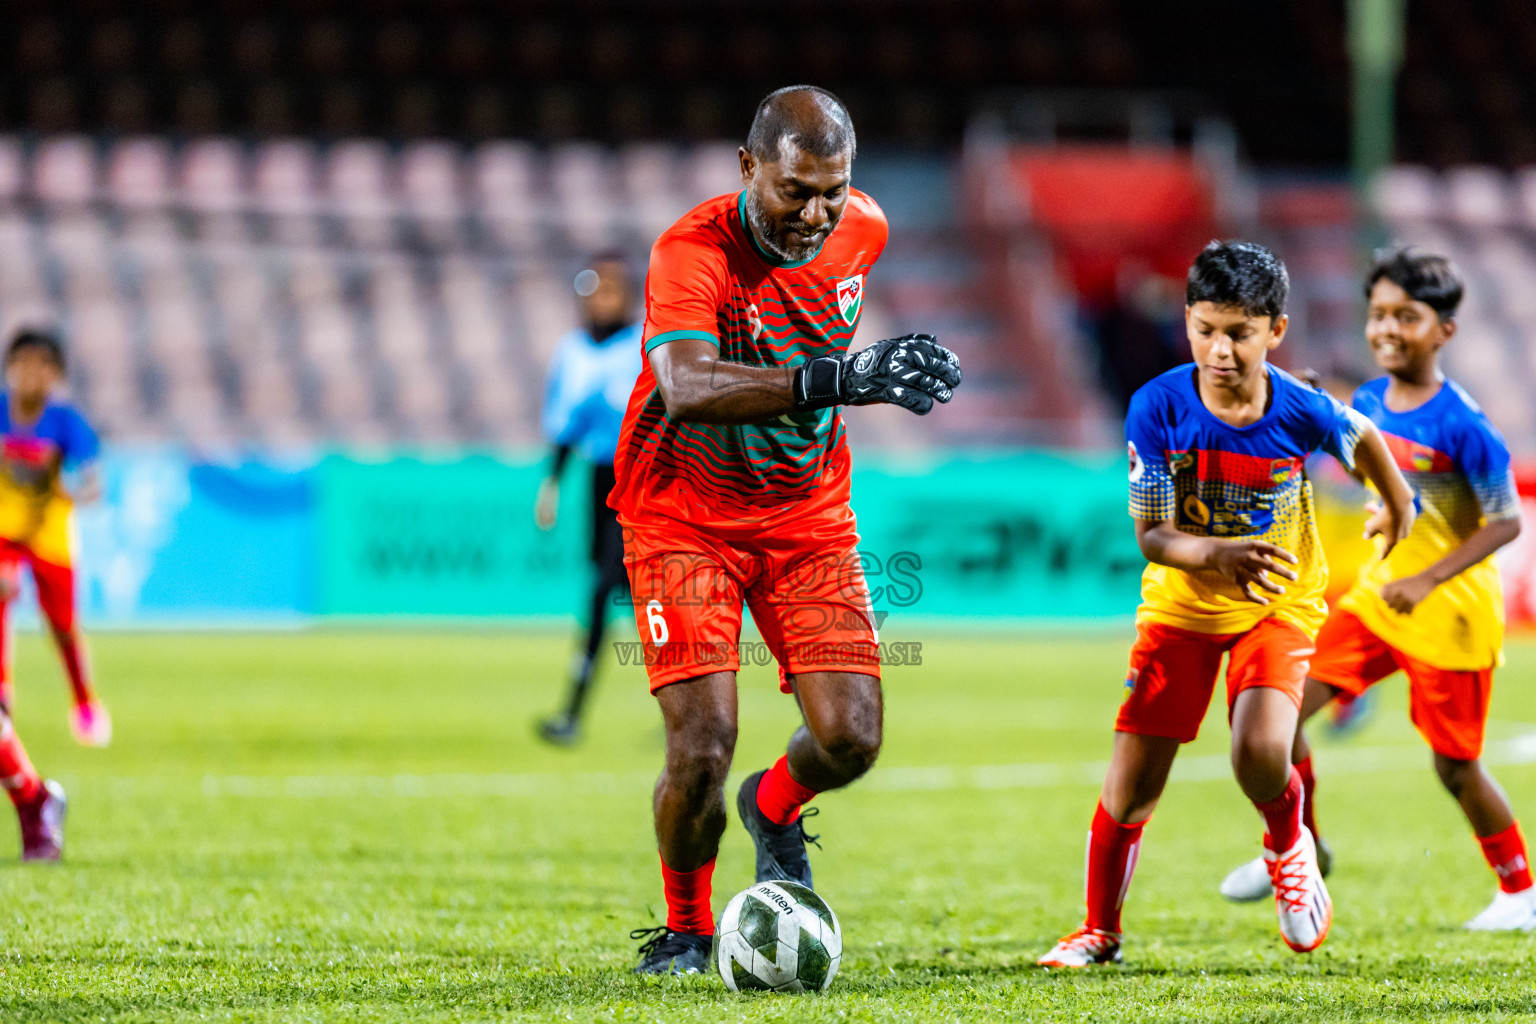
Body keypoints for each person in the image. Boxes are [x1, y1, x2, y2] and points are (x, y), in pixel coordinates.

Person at [614, 85, 961, 975]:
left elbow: (825, 321)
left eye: (831, 192)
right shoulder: (688, 251)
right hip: (682, 516)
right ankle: (687, 931)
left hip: (806, 514)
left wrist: (891, 368)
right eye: (794, 189)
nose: (814, 213)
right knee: (701, 744)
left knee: (852, 738)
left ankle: (769, 808)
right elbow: (688, 387)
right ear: (747, 168)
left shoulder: (866, 228)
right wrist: (839, 379)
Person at [1038, 241, 1415, 968]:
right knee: (1132, 786)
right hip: (1182, 605)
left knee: (1260, 748)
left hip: (1277, 603)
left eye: (1238, 333)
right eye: (1205, 329)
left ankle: (1287, 849)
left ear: (1275, 331)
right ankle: (1099, 931)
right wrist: (1216, 554)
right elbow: (1151, 535)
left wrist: (1396, 502)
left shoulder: (1298, 409)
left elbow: (1361, 435)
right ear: (1186, 322)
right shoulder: (1157, 407)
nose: (1219, 349)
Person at [1218, 249, 1536, 930]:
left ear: (1444, 330)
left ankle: (1520, 888)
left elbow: (1506, 523)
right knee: (1281, 713)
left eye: (1407, 317)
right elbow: (1357, 454)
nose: (1388, 328)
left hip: (1451, 615)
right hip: (1377, 598)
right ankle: (1303, 847)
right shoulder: (1366, 401)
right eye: (1380, 315)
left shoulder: (1465, 426)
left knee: (1456, 769)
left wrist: (1425, 577)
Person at [534, 254, 642, 746]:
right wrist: (552, 482)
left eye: (611, 290)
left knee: (622, 594)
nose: (602, 300)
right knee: (609, 595)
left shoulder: (644, 346)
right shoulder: (572, 351)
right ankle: (573, 714)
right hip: (600, 481)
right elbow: (566, 425)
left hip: (645, 480)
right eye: (594, 290)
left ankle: (574, 714)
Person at [0, 328, 108, 748]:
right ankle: (3, 696)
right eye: (23, 364)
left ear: (55, 375)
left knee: (62, 627)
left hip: (50, 531)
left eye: (42, 367)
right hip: (5, 530)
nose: (31, 375)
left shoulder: (66, 422)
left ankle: (84, 701)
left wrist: (73, 491)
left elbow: (93, 485)